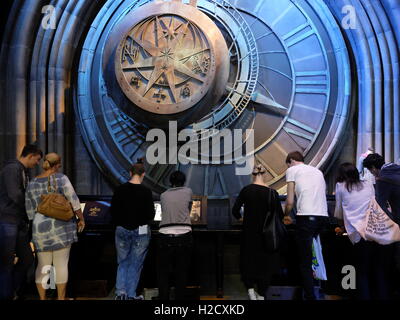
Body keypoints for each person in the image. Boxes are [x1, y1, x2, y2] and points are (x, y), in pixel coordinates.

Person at [25, 153, 84, 300]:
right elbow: (74, 200)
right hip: (61, 227)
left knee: (43, 266)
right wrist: (81, 218)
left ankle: (42, 298)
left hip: (40, 229)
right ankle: (61, 298)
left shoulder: (32, 183)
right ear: (58, 164)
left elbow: (29, 210)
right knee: (61, 265)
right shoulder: (61, 179)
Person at [334, 163, 392, 299]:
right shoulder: (367, 184)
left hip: (359, 234)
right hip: (376, 231)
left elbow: (338, 212)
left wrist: (340, 225)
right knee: (379, 270)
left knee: (362, 272)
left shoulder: (340, 186)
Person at [232, 164, 284, 300]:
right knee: (265, 263)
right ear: (265, 174)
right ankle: (261, 294)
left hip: (249, 233)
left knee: (248, 260)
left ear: (252, 175)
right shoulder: (273, 193)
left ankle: (250, 289)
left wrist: (242, 218)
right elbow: (279, 215)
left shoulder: (246, 190)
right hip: (267, 235)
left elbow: (235, 210)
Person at [283, 151, 328, 300]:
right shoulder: (317, 171)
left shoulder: (292, 170)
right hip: (322, 217)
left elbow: (290, 201)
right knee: (318, 254)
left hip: (306, 218)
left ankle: (309, 296)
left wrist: (285, 215)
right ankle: (321, 290)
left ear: (291, 161)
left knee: (305, 262)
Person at [0, 144, 43, 300]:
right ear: (30, 155)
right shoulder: (12, 169)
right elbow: (15, 194)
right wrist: (33, 206)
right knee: (6, 262)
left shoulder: (23, 171)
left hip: (18, 221)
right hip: (7, 220)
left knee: (27, 258)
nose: (37, 163)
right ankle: (6, 294)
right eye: (37, 160)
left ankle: (11, 289)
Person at [110, 159, 155, 300]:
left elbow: (113, 211)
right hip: (140, 231)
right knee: (136, 263)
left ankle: (120, 293)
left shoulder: (119, 190)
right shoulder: (146, 192)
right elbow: (150, 214)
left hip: (122, 229)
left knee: (122, 262)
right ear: (143, 174)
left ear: (130, 173)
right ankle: (131, 295)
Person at [157, 171, 193, 300]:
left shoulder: (163, 195)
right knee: (181, 272)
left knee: (163, 273)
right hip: (183, 235)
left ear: (170, 181)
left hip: (164, 234)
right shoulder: (188, 192)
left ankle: (163, 300)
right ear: (183, 181)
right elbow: (188, 209)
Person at [363, 153, 400, 225]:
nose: (372, 173)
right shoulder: (396, 168)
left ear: (373, 168)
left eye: (370, 171)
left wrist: (392, 221)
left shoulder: (381, 179)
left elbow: (380, 205)